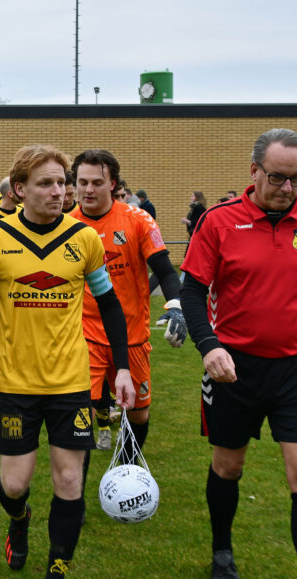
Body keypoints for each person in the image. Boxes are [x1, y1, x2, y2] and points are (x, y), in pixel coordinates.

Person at [180, 128, 297, 579]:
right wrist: (209, 346)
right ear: (254, 171)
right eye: (277, 178)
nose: (287, 189)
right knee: (227, 466)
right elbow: (193, 292)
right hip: (235, 368)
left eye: (296, 179)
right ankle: (222, 551)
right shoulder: (217, 221)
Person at [0, 144, 134, 574]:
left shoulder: (84, 239)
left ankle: (59, 565)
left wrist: (123, 368)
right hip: (15, 384)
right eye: (47, 183)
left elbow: (110, 305)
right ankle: (19, 522)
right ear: (20, 189)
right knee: (14, 485)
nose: (59, 191)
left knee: (70, 480)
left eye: (63, 182)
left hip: (71, 383)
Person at [71, 150, 186, 468]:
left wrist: (175, 306)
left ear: (113, 183)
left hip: (133, 334)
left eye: (97, 182)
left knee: (138, 411)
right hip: (86, 335)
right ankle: (73, 498)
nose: (89, 190)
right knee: (83, 412)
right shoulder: (66, 225)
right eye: (82, 182)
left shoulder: (137, 219)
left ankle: (126, 467)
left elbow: (165, 270)